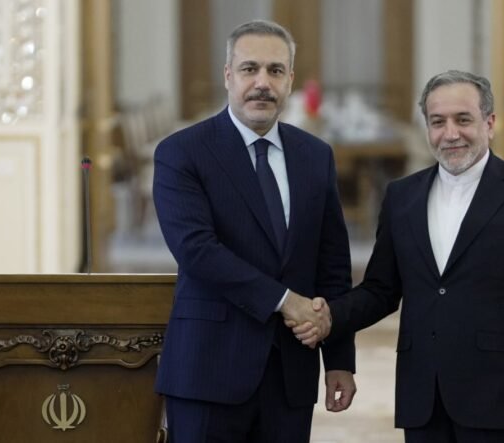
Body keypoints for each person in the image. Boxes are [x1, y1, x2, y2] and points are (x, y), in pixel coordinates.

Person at [293, 70, 504, 443]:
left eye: (463, 120)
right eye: (438, 122)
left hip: (499, 401)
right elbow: (380, 290)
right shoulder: (401, 197)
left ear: (489, 123)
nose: (450, 133)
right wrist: (328, 317)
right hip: (423, 399)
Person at [153, 19, 356, 443]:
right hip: (208, 370)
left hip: (290, 375)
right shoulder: (182, 152)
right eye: (250, 69)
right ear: (228, 75)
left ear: (290, 80)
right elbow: (197, 251)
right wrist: (286, 301)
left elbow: (332, 263)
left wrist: (339, 358)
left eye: (275, 70)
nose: (262, 82)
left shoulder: (315, 156)